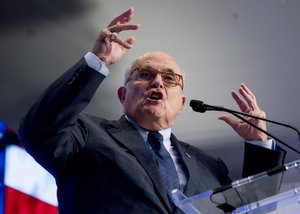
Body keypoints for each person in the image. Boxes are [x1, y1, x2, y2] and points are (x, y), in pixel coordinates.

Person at [19, 8, 286, 214]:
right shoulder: (86, 134)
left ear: (181, 103)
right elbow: (37, 131)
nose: (158, 81)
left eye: (170, 79)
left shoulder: (208, 164)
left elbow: (255, 207)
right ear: (123, 95)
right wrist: (97, 62)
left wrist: (259, 144)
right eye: (145, 74)